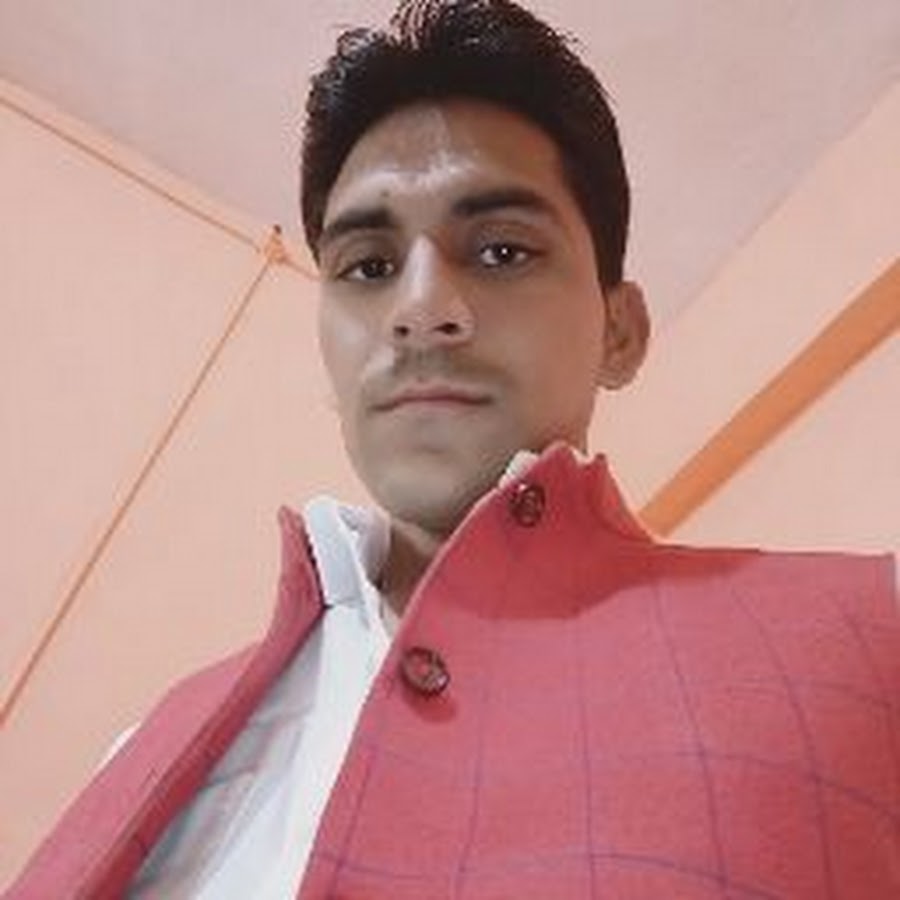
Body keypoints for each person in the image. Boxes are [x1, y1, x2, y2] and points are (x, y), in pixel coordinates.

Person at [8, 0, 899, 897]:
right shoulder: (150, 744)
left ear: (619, 332)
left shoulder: (873, 632)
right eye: (368, 266)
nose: (421, 307)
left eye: (503, 250)